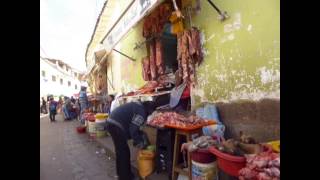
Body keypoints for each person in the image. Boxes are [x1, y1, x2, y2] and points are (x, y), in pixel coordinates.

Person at [105, 101, 158, 180]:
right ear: (149, 110)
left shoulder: (137, 105)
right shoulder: (142, 112)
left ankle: (121, 174)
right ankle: (125, 177)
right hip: (116, 125)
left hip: (111, 122)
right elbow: (133, 130)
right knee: (124, 152)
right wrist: (139, 142)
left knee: (120, 151)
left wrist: (137, 137)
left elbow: (132, 128)